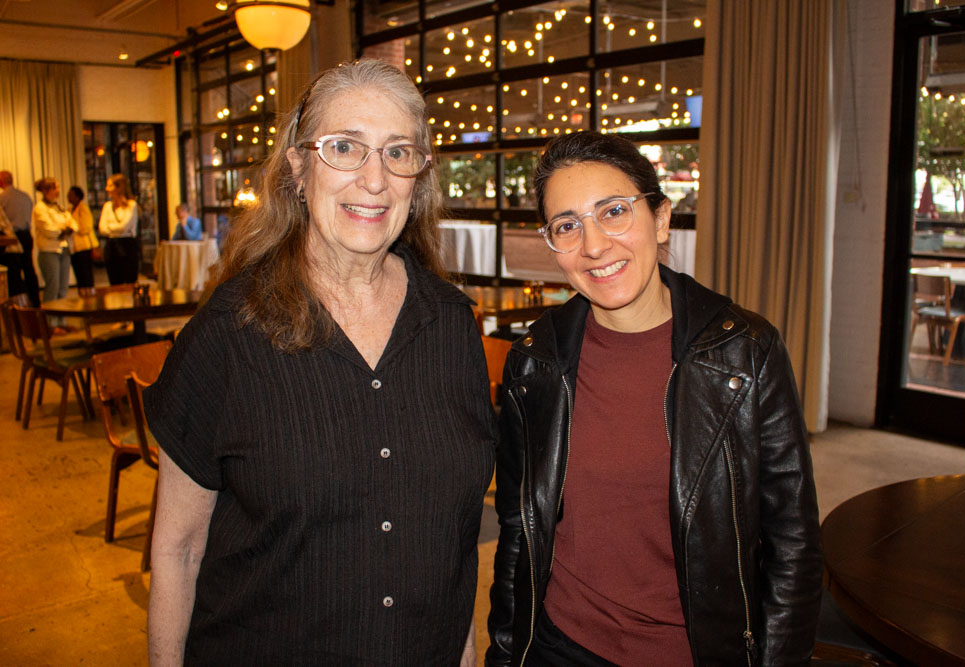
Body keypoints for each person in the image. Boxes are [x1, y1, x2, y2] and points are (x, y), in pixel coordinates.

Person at [144, 59, 496, 666]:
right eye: (345, 148)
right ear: (299, 168)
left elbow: (454, 549)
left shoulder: (453, 327)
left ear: (419, 178)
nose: (374, 179)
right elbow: (178, 550)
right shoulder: (228, 333)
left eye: (397, 152)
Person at [486, 131, 822, 666]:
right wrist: (506, 655)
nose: (594, 245)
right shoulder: (535, 361)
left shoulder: (744, 352)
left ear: (661, 219)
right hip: (557, 645)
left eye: (614, 212)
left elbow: (793, 544)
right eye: (567, 226)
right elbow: (518, 530)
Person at [32, 177, 77, 333]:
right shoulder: (40, 208)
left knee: (63, 288)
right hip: (49, 251)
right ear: (47, 190)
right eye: (56, 187)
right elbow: (49, 230)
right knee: (52, 288)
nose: (58, 190)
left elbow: (73, 224)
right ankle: (49, 324)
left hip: (63, 249)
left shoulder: (59, 207)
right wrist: (63, 229)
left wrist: (65, 228)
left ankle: (61, 321)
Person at [0, 170, 41, 305]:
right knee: (29, 268)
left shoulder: (3, 198)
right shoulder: (25, 196)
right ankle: (35, 301)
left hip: (12, 237)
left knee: (14, 271)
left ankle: (19, 304)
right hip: (26, 234)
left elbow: (4, 223)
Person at [98, 173, 140, 284]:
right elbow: (102, 228)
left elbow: (124, 227)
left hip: (127, 245)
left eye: (110, 186)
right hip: (112, 246)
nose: (107, 189)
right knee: (114, 281)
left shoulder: (131, 205)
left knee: (129, 280)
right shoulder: (107, 206)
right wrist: (118, 228)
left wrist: (110, 227)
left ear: (119, 187)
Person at [67, 186, 98, 289]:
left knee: (86, 274)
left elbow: (86, 227)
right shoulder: (69, 209)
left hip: (84, 246)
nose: (68, 197)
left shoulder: (83, 208)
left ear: (77, 196)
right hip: (74, 247)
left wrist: (73, 228)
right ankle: (82, 292)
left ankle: (89, 293)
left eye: (71, 195)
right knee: (79, 274)